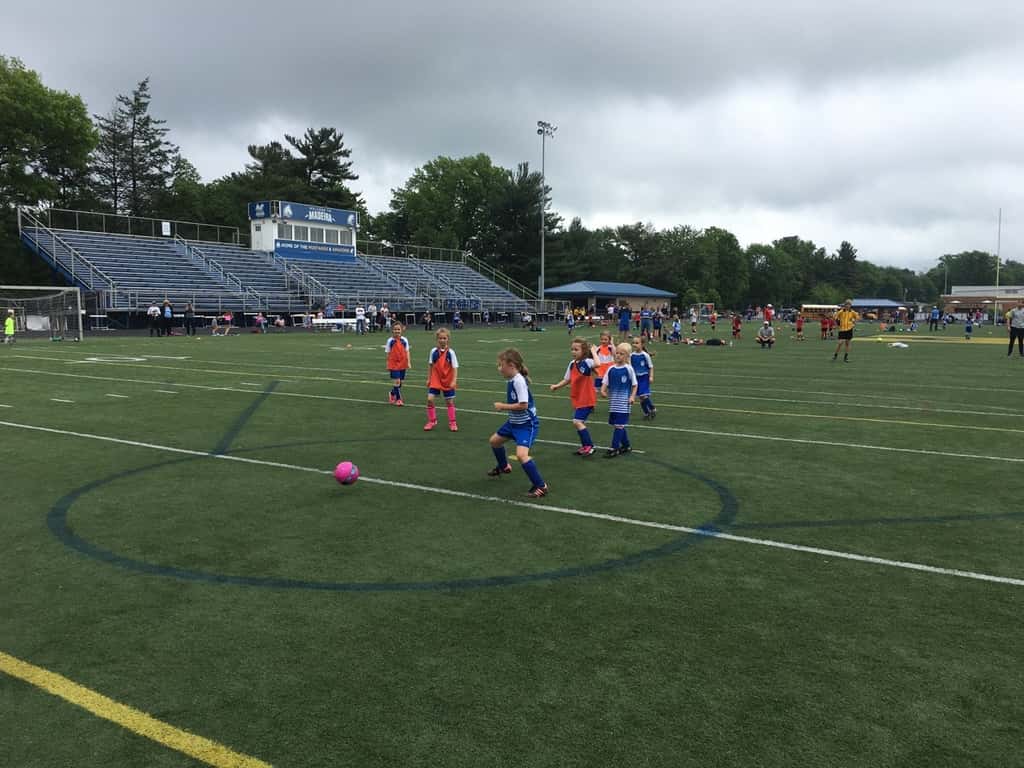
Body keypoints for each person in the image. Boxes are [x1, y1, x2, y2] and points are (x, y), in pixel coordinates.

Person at [488, 348, 548, 498]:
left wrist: (502, 406)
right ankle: (504, 466)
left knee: (522, 455)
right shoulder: (513, 379)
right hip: (514, 422)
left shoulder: (519, 381)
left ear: (512, 365)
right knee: (494, 441)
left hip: (526, 425)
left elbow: (523, 405)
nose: (499, 368)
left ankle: (541, 486)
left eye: (501, 365)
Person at [549, 337, 597, 456]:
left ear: (584, 351)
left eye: (576, 349)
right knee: (578, 422)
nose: (573, 352)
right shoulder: (572, 364)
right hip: (578, 397)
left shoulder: (587, 362)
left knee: (577, 421)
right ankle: (586, 446)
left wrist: (594, 352)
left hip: (587, 397)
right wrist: (557, 386)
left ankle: (589, 446)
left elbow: (598, 363)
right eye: (572, 349)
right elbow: (567, 379)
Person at [600, 342, 637, 458]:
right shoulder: (611, 369)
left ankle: (614, 448)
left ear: (627, 356)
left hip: (624, 403)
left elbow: (635, 385)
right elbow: (605, 382)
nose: (618, 356)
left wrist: (632, 396)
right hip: (613, 403)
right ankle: (626, 445)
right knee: (618, 424)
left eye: (622, 354)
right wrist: (602, 390)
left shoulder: (629, 369)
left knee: (619, 425)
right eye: (617, 353)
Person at [424, 327, 459, 431]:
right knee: (429, 399)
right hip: (436, 379)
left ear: (448, 339)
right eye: (440, 338)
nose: (442, 340)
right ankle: (432, 420)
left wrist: (454, 381)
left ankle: (452, 422)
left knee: (449, 402)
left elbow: (455, 367)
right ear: (437, 339)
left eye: (444, 338)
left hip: (447, 380)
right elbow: (430, 366)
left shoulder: (451, 352)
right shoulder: (433, 351)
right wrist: (429, 378)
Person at [631, 335, 656, 420]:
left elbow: (651, 367)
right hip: (636, 379)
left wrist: (651, 376)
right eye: (633, 343)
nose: (634, 344)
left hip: (644, 377)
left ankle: (652, 408)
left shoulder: (645, 355)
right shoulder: (632, 355)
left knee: (644, 396)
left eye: (637, 343)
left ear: (642, 344)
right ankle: (646, 412)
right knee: (641, 398)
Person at [385, 321, 410, 405]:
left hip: (402, 363)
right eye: (395, 329)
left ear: (402, 330)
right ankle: (399, 399)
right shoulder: (390, 341)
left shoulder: (404, 340)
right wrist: (388, 364)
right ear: (392, 330)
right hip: (393, 364)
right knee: (397, 382)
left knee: (400, 383)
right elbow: (388, 353)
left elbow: (407, 352)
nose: (397, 331)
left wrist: (408, 362)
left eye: (398, 329)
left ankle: (392, 393)